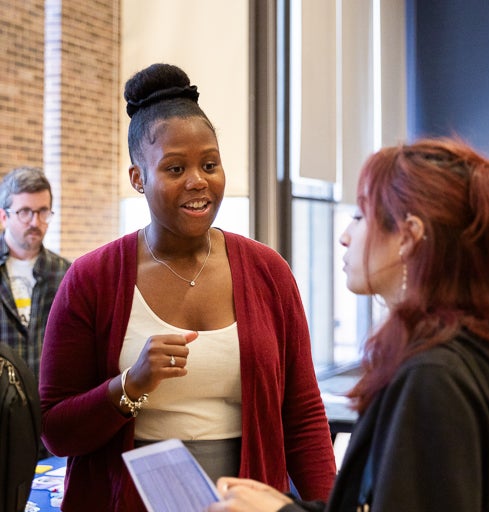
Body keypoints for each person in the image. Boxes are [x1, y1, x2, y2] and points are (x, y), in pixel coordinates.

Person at [39, 63, 336, 512]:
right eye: (175, 168)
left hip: (247, 501)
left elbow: (304, 415)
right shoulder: (91, 279)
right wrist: (129, 385)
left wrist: (330, 506)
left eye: (210, 164)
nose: (198, 181)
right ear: (138, 178)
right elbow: (55, 430)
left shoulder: (267, 271)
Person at [206, 137, 489, 512]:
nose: (345, 236)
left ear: (408, 237)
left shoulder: (434, 377)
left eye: (360, 216)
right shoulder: (473, 348)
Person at [0, 167, 70, 458]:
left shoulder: (66, 273)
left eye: (43, 212)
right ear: (4, 216)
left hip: (46, 422)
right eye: (25, 212)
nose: (36, 221)